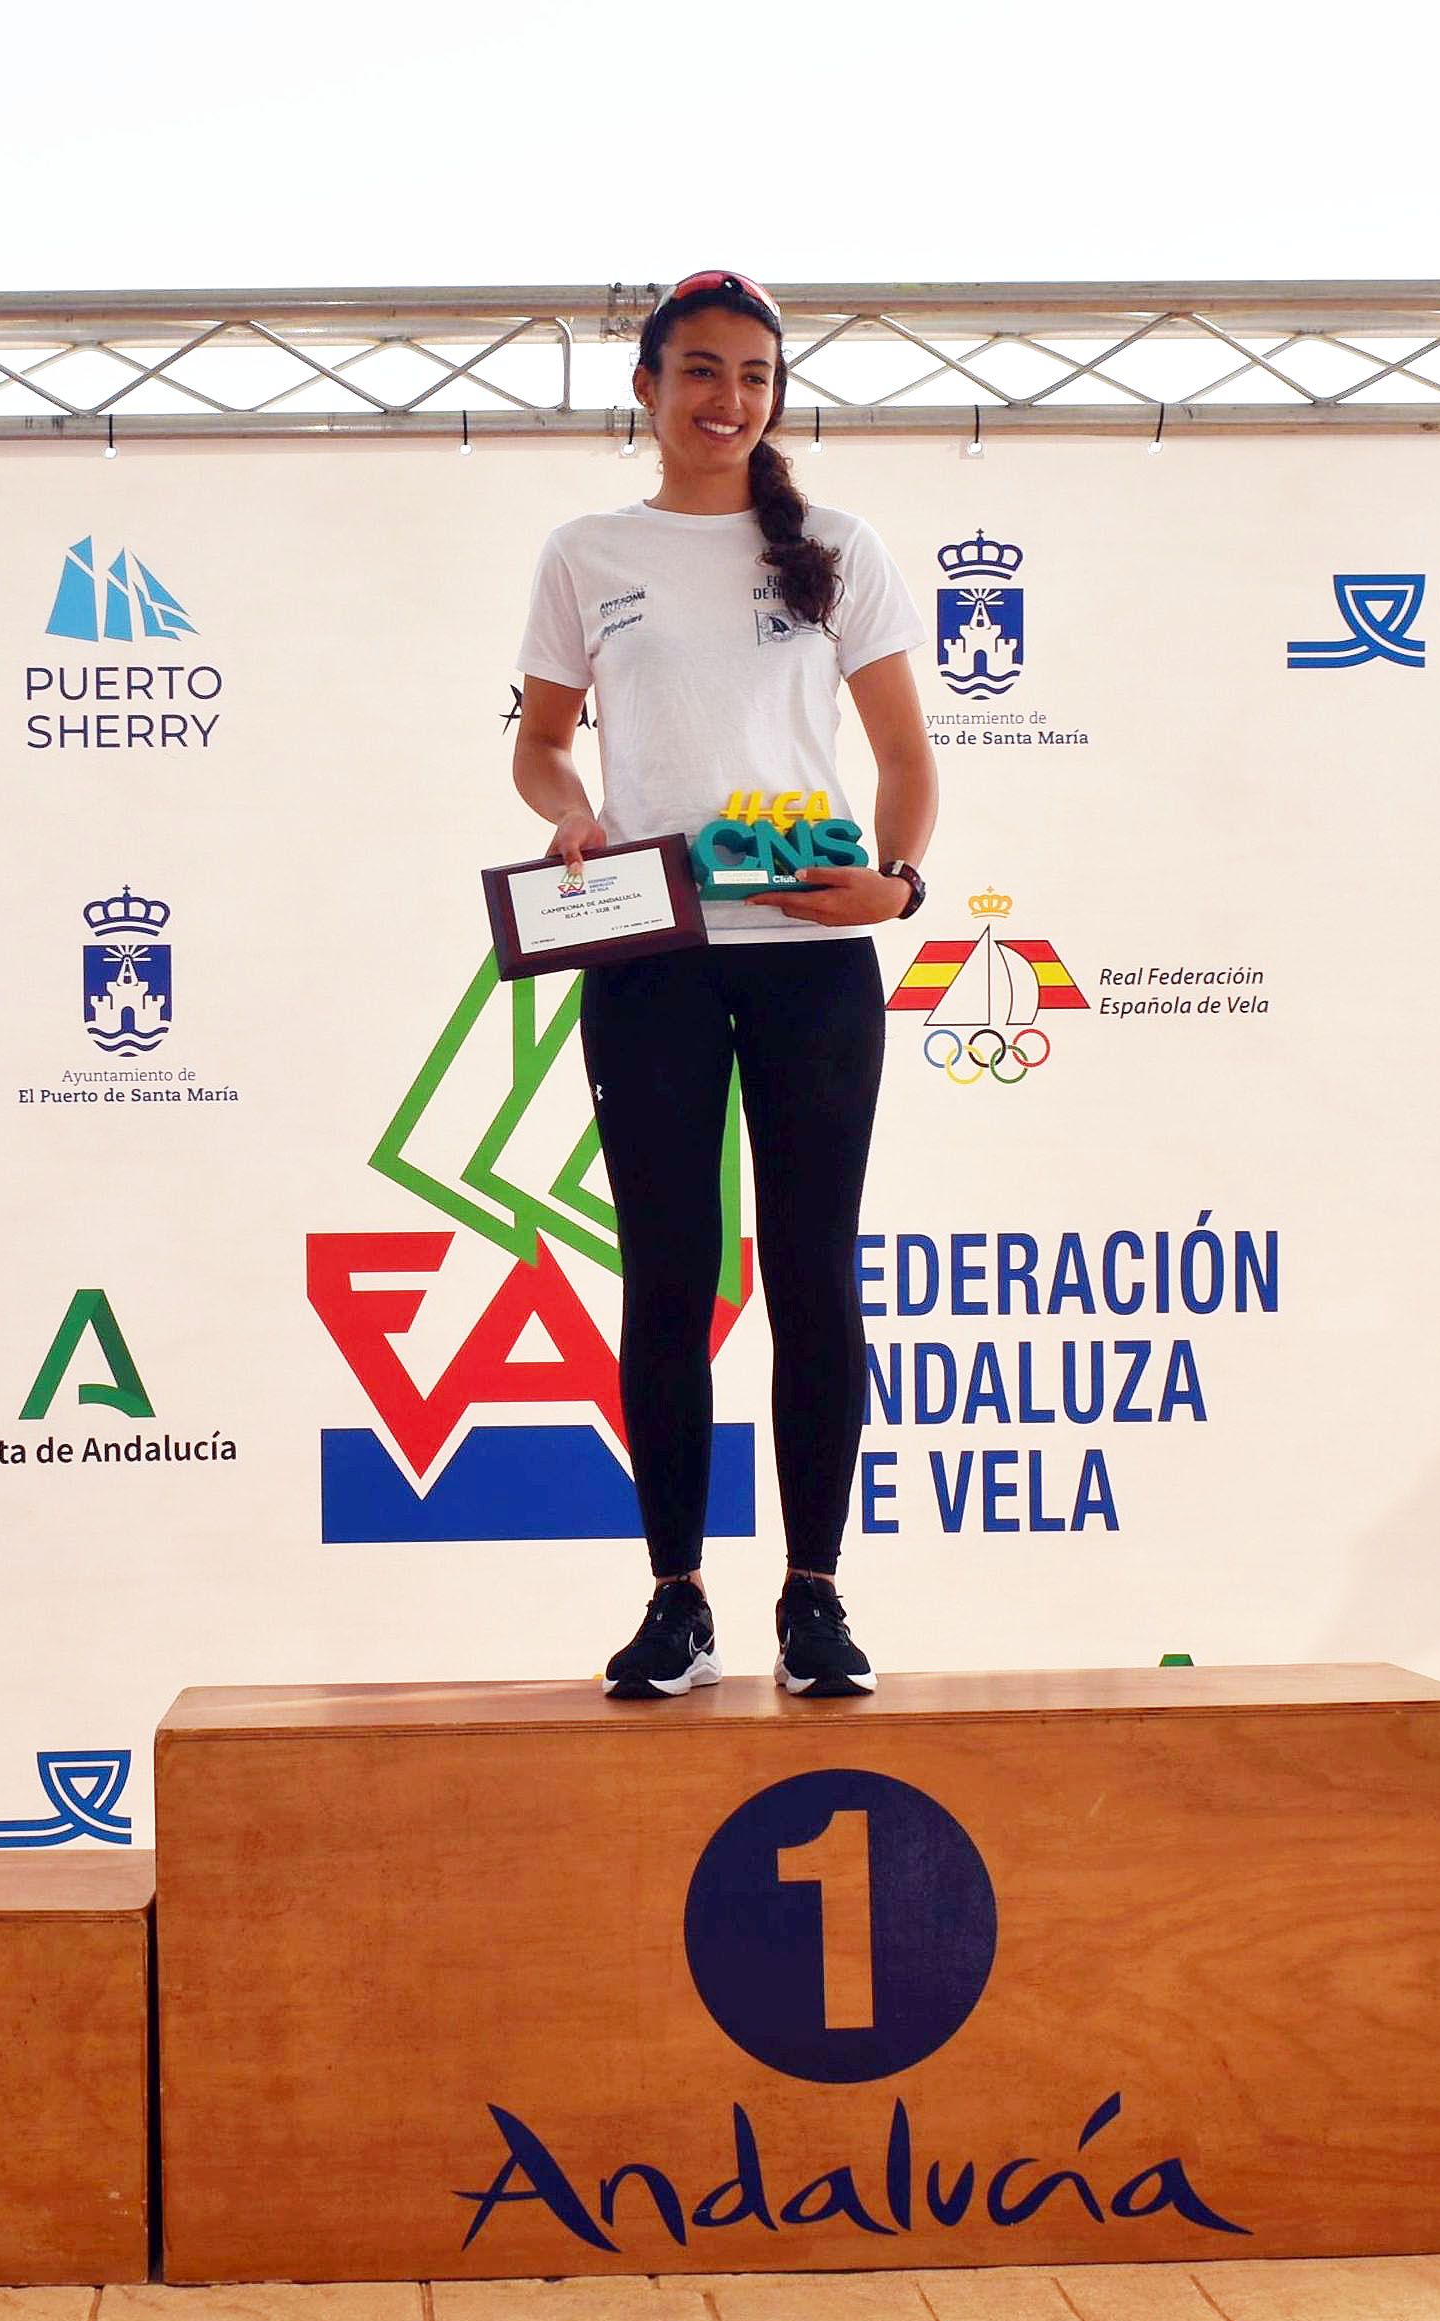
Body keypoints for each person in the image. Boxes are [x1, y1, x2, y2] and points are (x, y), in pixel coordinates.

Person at [509, 271, 938, 1700]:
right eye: (698, 371)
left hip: (816, 958)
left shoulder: (832, 543)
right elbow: (543, 748)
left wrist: (900, 881)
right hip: (653, 960)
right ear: (642, 388)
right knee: (668, 1279)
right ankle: (675, 1598)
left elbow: (903, 756)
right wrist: (565, 815)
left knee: (815, 1275)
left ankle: (811, 1597)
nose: (726, 400)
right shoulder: (586, 550)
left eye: (753, 376)